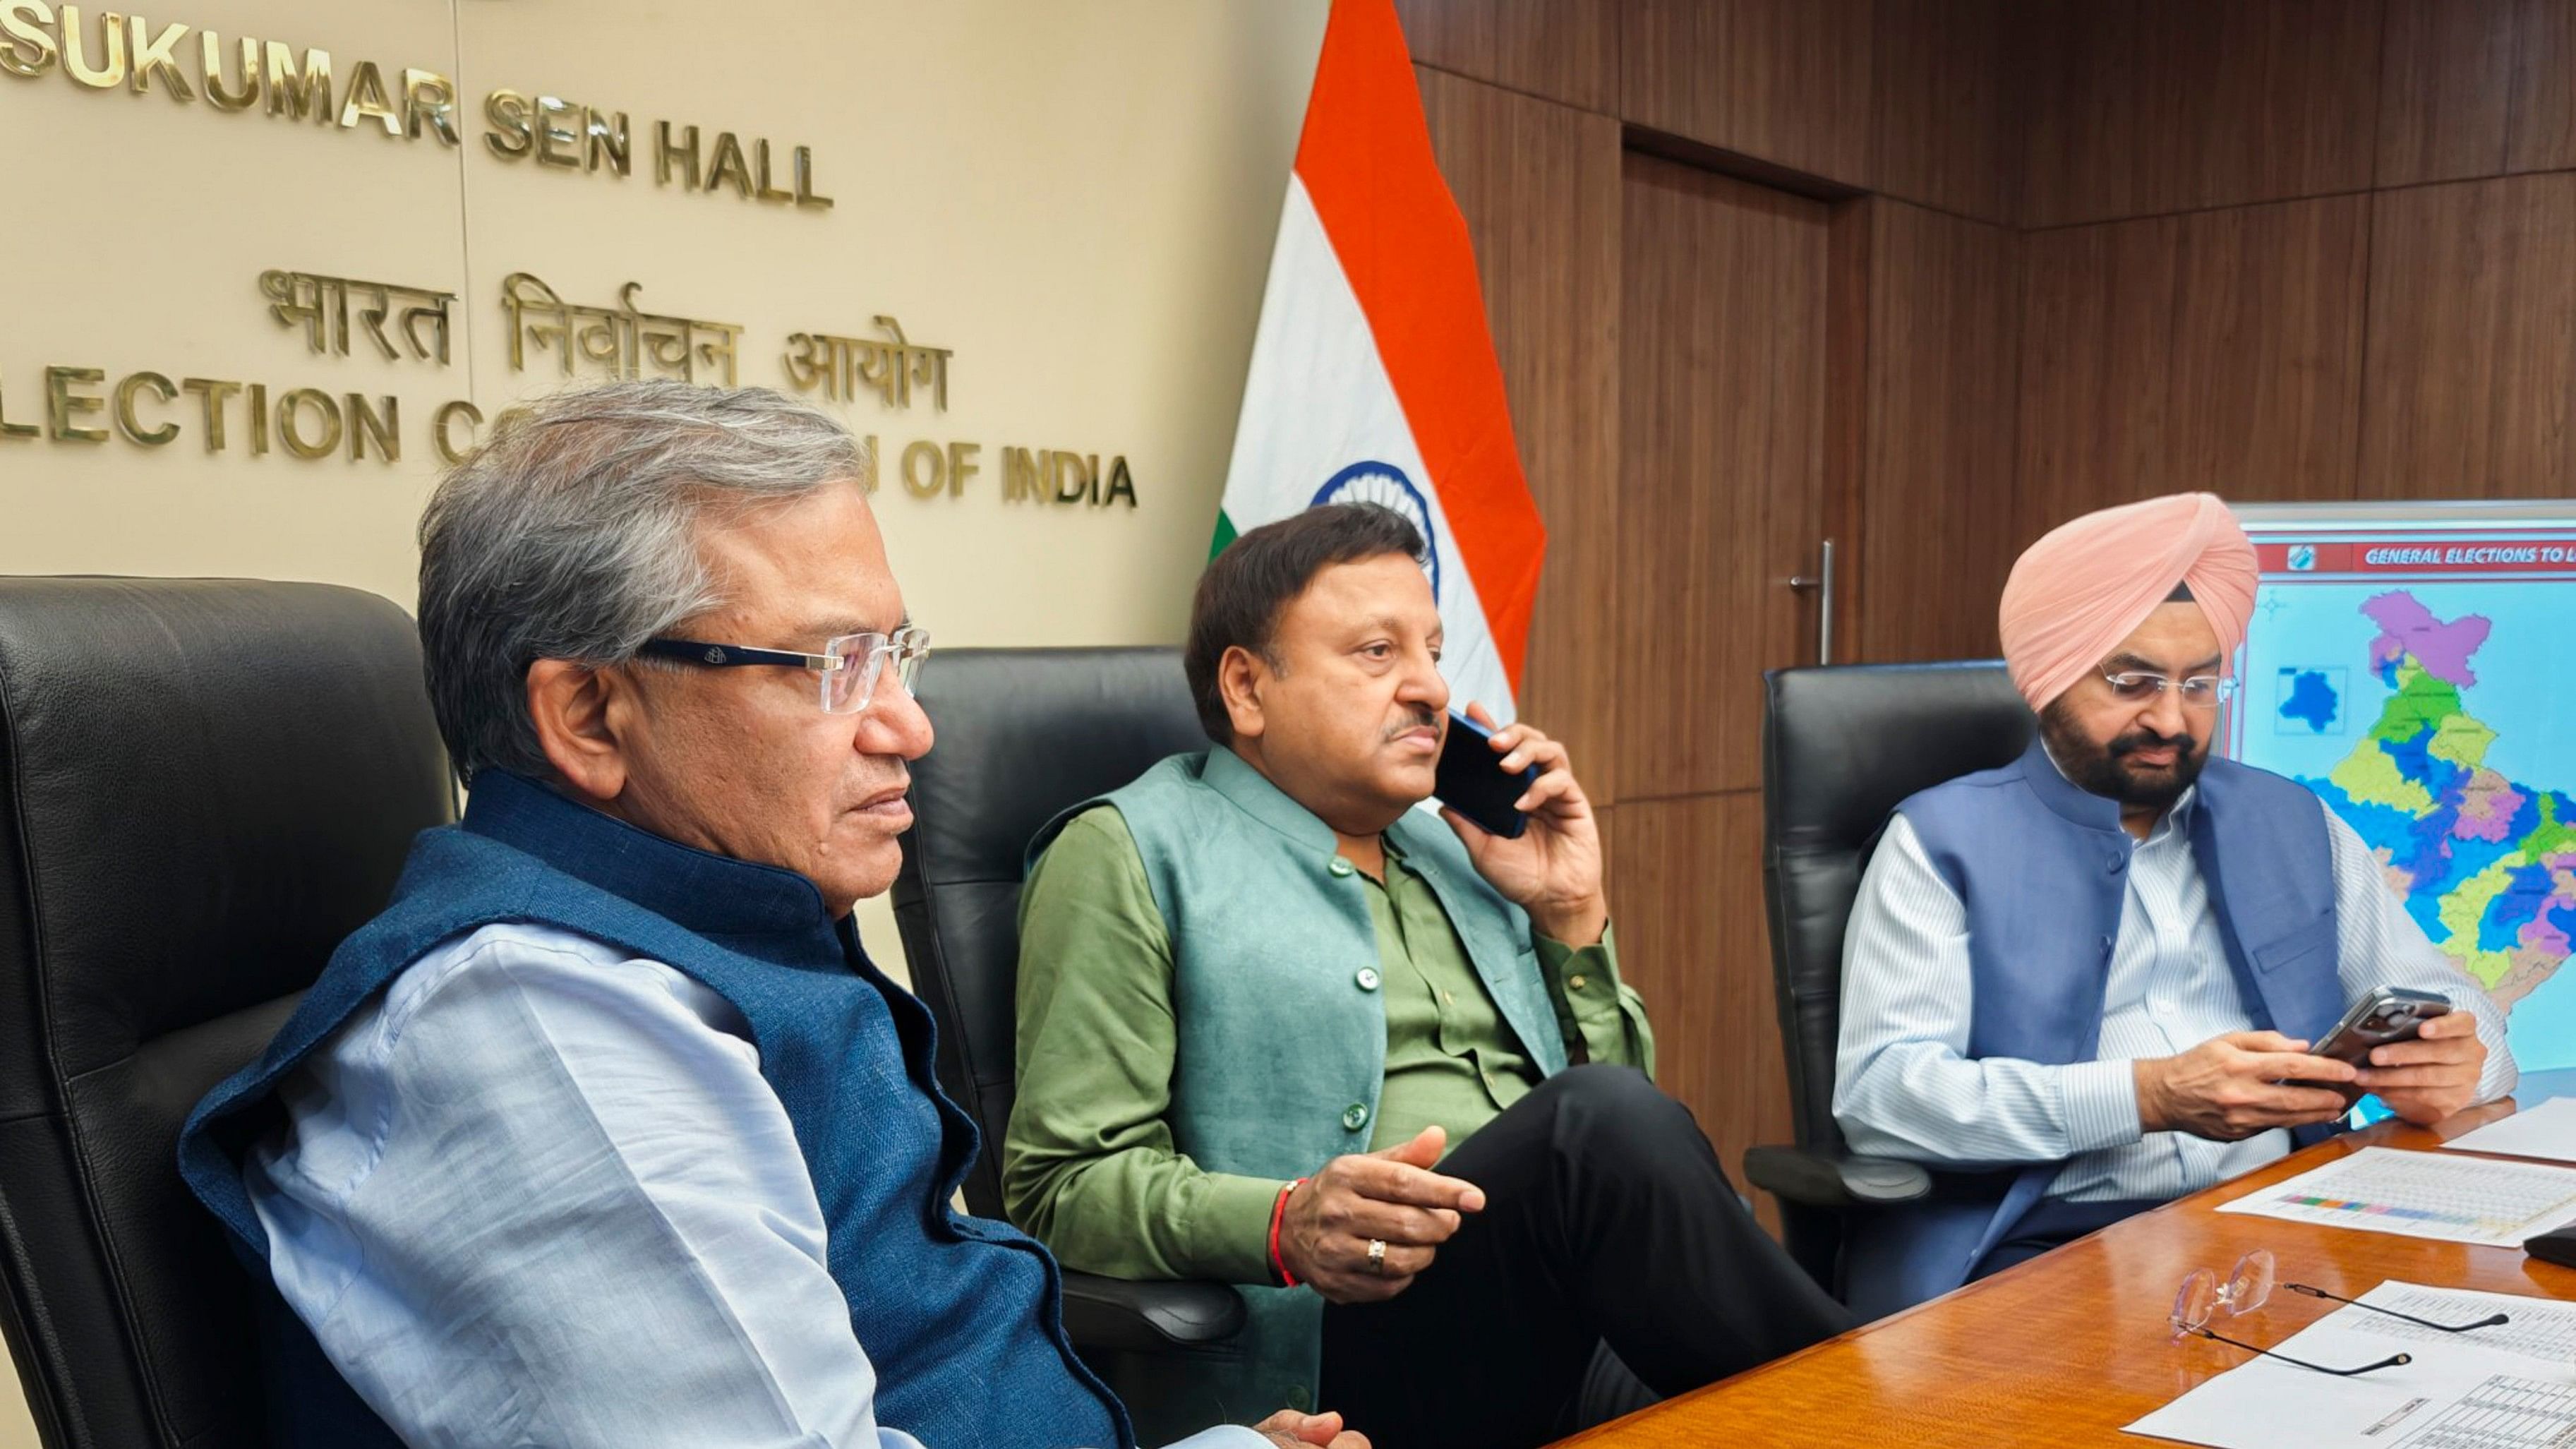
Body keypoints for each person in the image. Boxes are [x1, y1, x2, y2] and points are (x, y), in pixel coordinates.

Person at [175, 383, 1364, 1449]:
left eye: (896, 652)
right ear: (590, 714)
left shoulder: (717, 926)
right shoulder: (543, 1039)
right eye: (836, 664)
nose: (911, 725)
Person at [1006, 503, 1850, 1449]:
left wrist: (1569, 914)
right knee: (1596, 1127)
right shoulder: (1128, 850)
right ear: (1245, 687)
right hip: (1337, 1353)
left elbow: (1632, 1139)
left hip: (1561, 1319)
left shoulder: (1461, 844)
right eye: (1376, 653)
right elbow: (1059, 1189)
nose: (1431, 689)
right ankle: (1925, 1414)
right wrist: (1285, 1221)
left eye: (1434, 651)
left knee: (1729, 1369)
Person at [1833, 492, 2517, 1321]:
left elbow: (2445, 1000)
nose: (2169, 718)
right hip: (2047, 1243)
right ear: (2048, 679)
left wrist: (2456, 1061)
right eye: (2131, 682)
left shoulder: (2291, 817)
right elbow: (1883, 1097)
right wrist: (2146, 1096)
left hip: (2289, 1217)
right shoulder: (1937, 840)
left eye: (2198, 684)